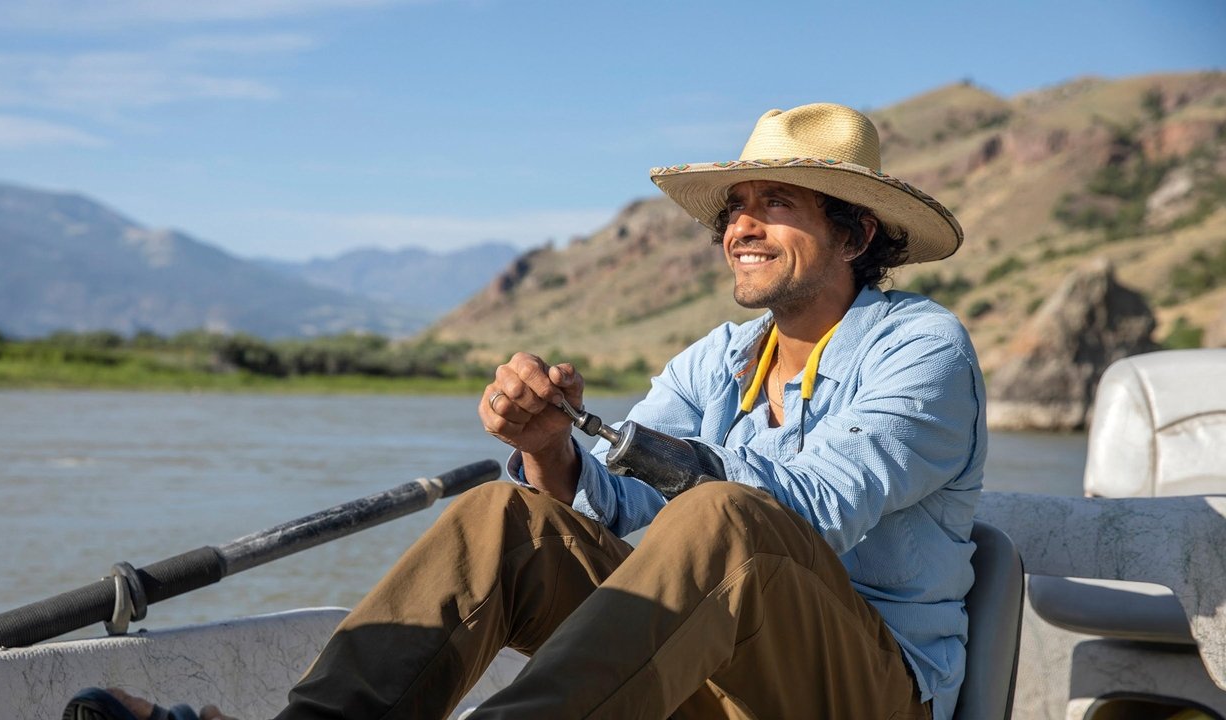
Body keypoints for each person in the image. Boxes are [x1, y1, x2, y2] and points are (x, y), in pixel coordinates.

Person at [67, 102, 985, 720]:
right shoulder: (722, 357)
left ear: (856, 233)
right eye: (735, 208)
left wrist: (665, 463)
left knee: (725, 516)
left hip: (864, 693)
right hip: (716, 673)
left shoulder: (923, 348)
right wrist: (553, 451)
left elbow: (811, 508)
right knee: (504, 516)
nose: (740, 227)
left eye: (775, 203)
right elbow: (620, 505)